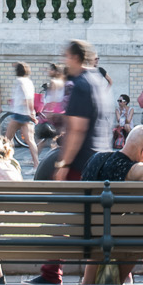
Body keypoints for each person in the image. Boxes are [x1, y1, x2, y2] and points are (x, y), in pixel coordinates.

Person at [54, 40, 103, 182]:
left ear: (75, 58)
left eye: (66, 56)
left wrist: (64, 164)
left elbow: (77, 130)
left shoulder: (81, 85)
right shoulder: (97, 80)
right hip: (98, 159)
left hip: (80, 164)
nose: (63, 60)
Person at [1, 62, 39, 171]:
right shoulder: (29, 81)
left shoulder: (20, 81)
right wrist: (31, 113)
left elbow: (27, 98)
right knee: (30, 140)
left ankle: (5, 161)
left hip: (19, 113)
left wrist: (29, 111)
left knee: (7, 138)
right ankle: (36, 164)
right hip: (25, 114)